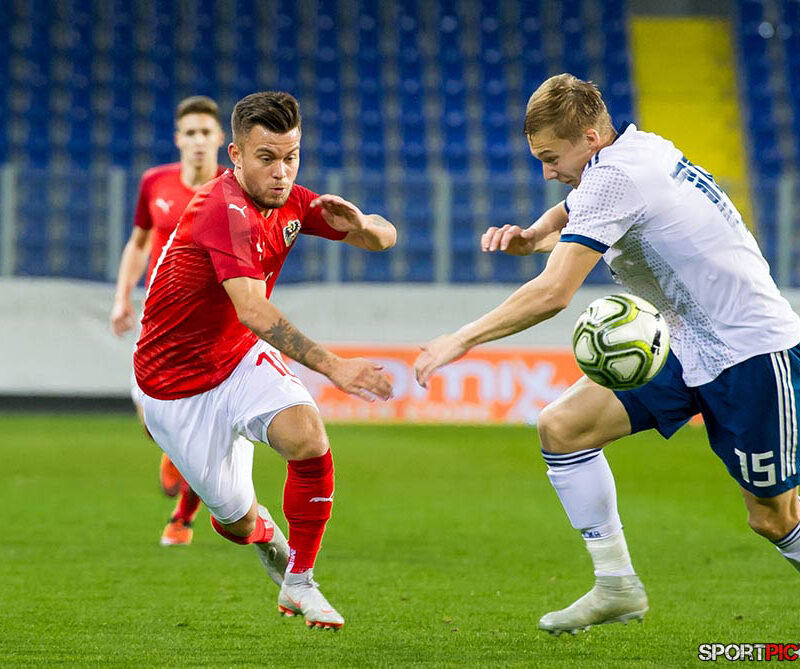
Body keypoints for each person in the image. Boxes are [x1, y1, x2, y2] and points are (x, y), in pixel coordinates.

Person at [414, 73, 800, 634]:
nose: (546, 173)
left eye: (551, 158)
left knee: (774, 518)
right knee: (563, 427)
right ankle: (617, 586)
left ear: (591, 138)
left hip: (750, 351)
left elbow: (554, 292)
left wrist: (461, 338)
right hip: (681, 340)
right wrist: (534, 235)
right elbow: (574, 208)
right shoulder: (640, 148)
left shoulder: (615, 177)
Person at [134, 91, 396, 630]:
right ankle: (261, 532)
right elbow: (253, 309)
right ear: (235, 155)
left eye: (291, 157)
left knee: (308, 436)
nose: (281, 172)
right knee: (235, 521)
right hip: (174, 387)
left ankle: (300, 582)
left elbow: (384, 240)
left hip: (238, 359)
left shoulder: (292, 200)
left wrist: (363, 224)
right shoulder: (221, 208)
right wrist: (335, 367)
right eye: (267, 158)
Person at [110, 96, 227, 547]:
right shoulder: (154, 182)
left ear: (220, 139)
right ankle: (171, 452)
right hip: (159, 320)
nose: (198, 141)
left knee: (204, 427)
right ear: (178, 139)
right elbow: (139, 242)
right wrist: (122, 297)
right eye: (190, 133)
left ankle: (182, 519)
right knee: (151, 419)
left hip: (213, 324)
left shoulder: (234, 188)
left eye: (206, 132)